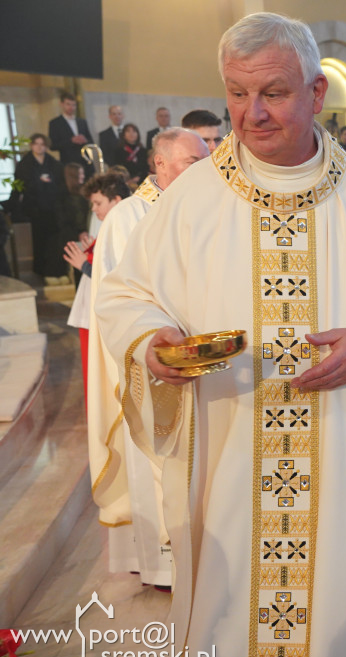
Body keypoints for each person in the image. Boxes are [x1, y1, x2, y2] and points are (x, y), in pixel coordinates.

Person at [94, 14, 346, 657]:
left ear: (317, 95)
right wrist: (153, 342)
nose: (250, 113)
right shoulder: (190, 199)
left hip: (343, 447)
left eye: (273, 93)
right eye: (235, 93)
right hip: (228, 446)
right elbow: (124, 296)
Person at [88, 128, 211, 589]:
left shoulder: (200, 207)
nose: (203, 171)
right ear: (160, 163)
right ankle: (164, 565)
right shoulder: (127, 217)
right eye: (191, 162)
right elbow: (121, 301)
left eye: (205, 161)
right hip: (153, 364)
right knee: (156, 464)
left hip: (199, 359)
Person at [64, 172, 131, 400]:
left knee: (103, 381)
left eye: (98, 203)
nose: (94, 209)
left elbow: (119, 278)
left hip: (108, 316)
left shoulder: (124, 227)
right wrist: (93, 250)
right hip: (91, 314)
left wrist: (84, 265)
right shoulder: (110, 227)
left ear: (117, 201)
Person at [12, 133, 67, 280]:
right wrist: (38, 181)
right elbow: (20, 186)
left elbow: (61, 183)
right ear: (31, 145)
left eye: (42, 144)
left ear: (46, 146)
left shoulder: (53, 163)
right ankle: (41, 270)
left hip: (52, 207)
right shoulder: (25, 164)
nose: (39, 147)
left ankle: (55, 270)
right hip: (35, 208)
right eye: (36, 143)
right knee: (39, 239)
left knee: (54, 239)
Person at [47, 92, 93, 170]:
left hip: (85, 162)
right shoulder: (55, 123)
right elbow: (52, 145)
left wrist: (85, 140)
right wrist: (71, 141)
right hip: (68, 163)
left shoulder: (81, 121)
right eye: (68, 104)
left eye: (73, 105)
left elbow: (91, 140)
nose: (71, 107)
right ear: (61, 104)